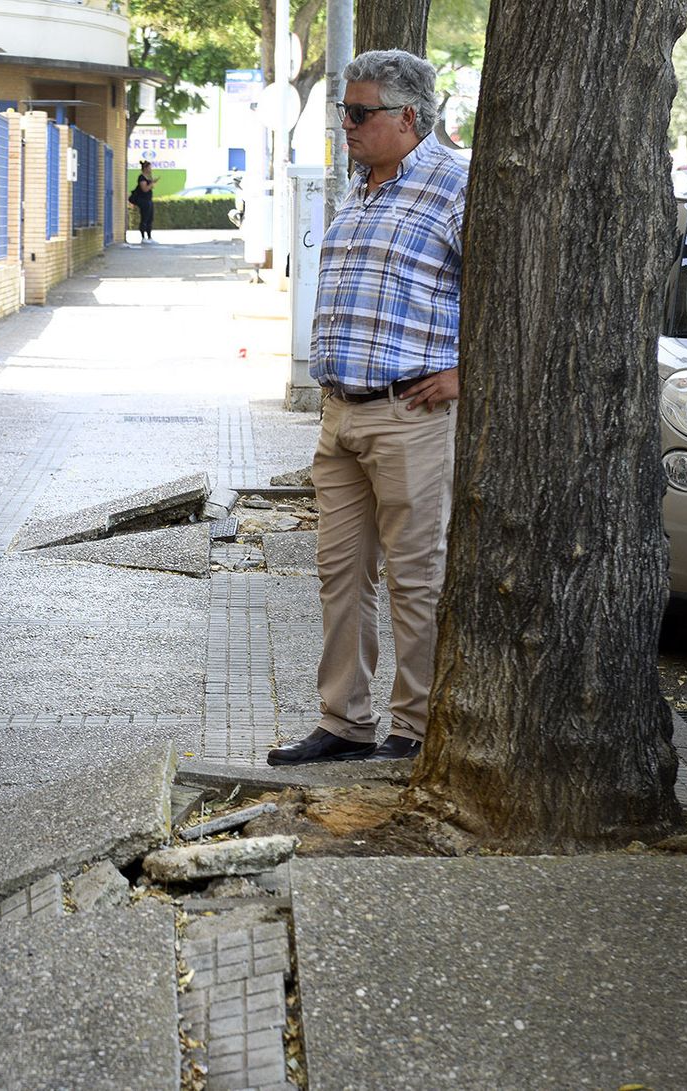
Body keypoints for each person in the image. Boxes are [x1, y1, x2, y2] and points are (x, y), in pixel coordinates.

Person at [267, 50, 468, 767]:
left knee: (418, 576)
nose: (344, 124)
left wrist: (465, 373)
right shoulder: (359, 187)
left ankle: (413, 730)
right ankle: (344, 723)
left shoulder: (456, 186)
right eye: (342, 111)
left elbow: (508, 300)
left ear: (409, 117)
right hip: (340, 416)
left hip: (407, 415)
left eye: (358, 113)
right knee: (340, 575)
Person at [129, 159, 157, 242]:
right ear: (145, 168)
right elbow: (144, 189)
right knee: (144, 218)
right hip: (144, 201)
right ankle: (143, 237)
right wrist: (151, 184)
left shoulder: (147, 177)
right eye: (149, 168)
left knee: (150, 218)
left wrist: (152, 182)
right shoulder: (141, 178)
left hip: (149, 200)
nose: (150, 169)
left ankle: (149, 237)